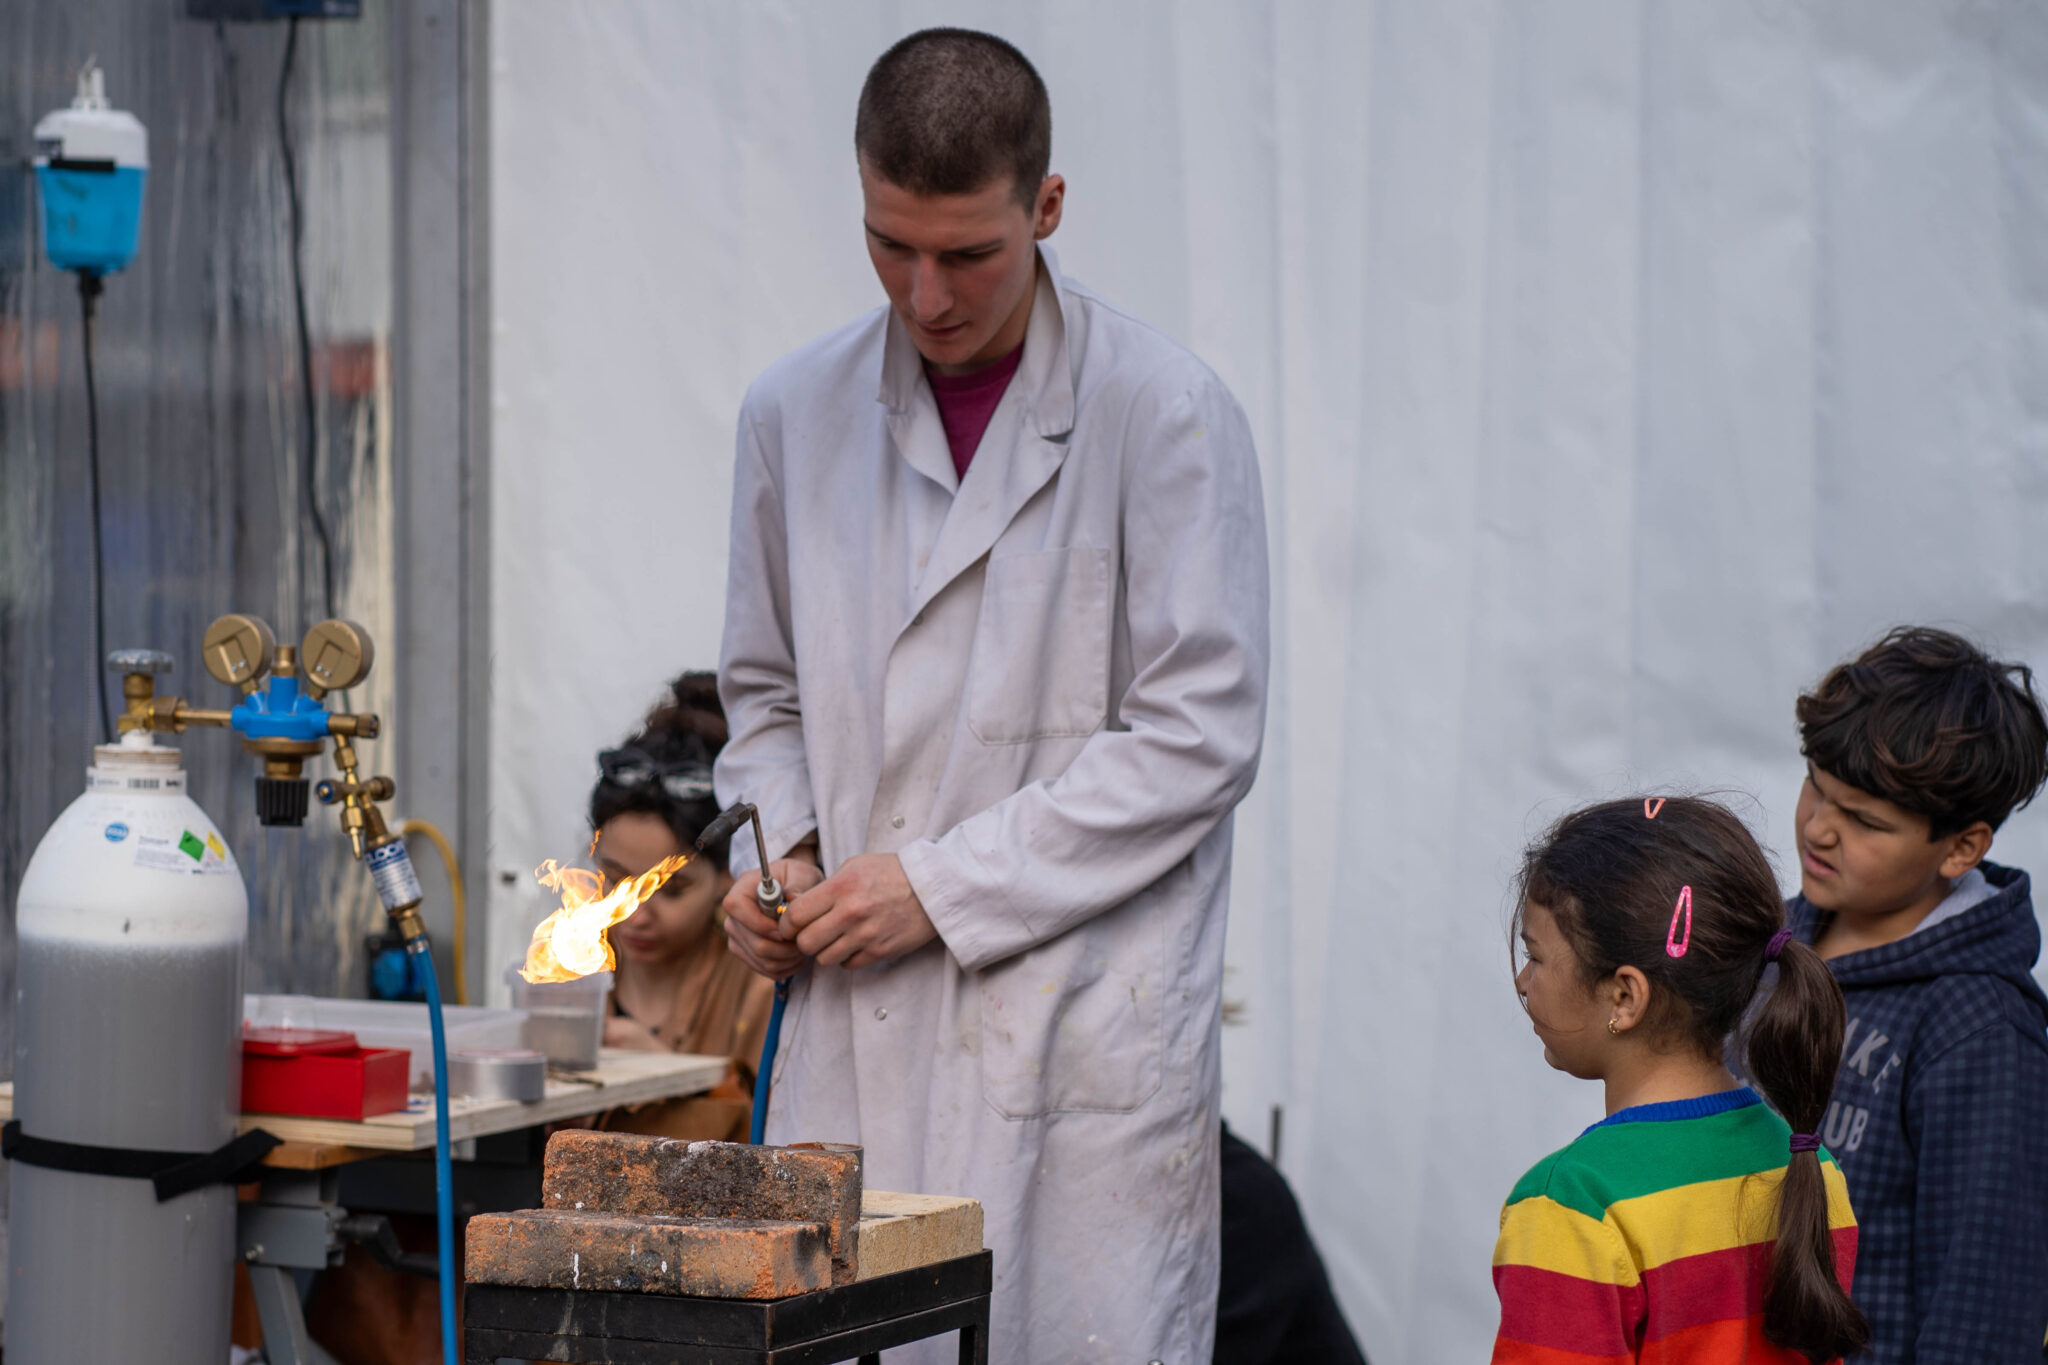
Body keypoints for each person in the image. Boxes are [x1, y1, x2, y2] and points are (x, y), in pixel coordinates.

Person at [713, 27, 1269, 1363]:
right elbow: (762, 690)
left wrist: (939, 886)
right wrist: (785, 855)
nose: (926, 294)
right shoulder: (792, 411)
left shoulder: (1166, 414)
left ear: (1049, 207)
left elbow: (1200, 735)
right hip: (857, 1025)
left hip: (1076, 1023)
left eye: (968, 253)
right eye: (889, 246)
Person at [1493, 797, 1866, 1363]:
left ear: (1625, 995)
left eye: (1536, 955)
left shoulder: (1573, 1204)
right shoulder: (1812, 1168)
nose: (1523, 982)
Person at [1767, 627, 2048, 1361]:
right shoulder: (1767, 954)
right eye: (1815, 787)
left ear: (1960, 848)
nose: (1820, 829)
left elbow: (1984, 1306)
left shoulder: (1980, 1027)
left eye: (1864, 819)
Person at [587, 671, 775, 1141]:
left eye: (670, 891)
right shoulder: (572, 961)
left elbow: (779, 1150)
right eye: (614, 880)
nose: (634, 913)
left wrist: (666, 1075)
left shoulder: (758, 987)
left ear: (729, 875)